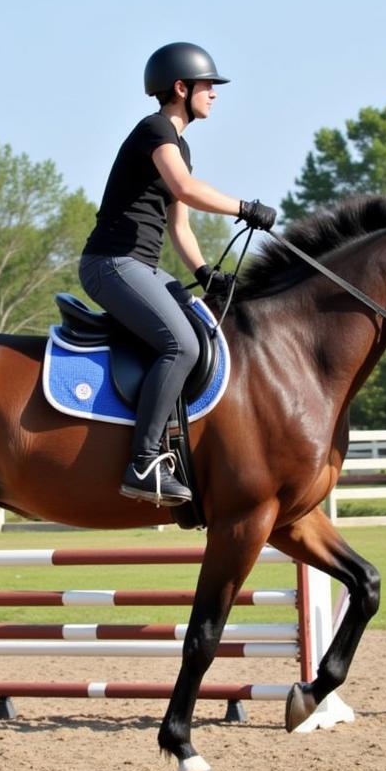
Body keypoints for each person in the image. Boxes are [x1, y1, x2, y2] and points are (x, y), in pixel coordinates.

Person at [79, 41, 277, 506]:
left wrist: (205, 272)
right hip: (111, 263)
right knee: (181, 344)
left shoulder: (179, 145)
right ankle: (144, 461)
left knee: (205, 323)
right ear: (181, 88)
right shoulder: (154, 132)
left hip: (139, 265)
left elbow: (179, 223)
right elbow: (186, 189)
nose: (214, 93)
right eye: (207, 85)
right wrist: (244, 207)